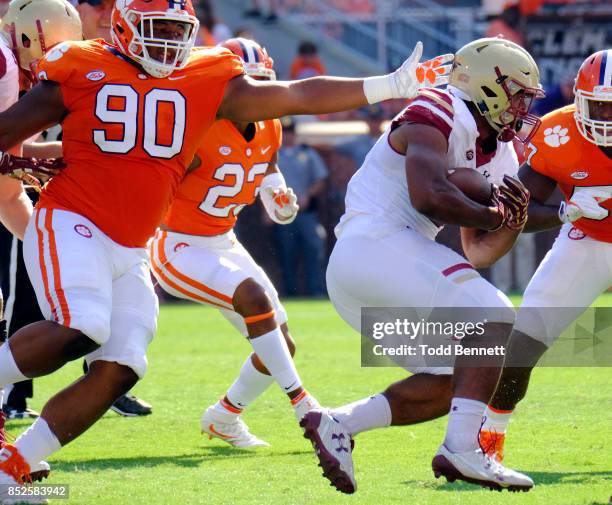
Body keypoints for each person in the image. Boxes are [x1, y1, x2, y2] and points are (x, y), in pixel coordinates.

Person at [0, 0, 454, 496]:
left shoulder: (204, 77)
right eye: (160, 29)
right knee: (84, 325)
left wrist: (387, 85)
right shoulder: (82, 63)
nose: (170, 42)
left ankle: (15, 464)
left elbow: (294, 94)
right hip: (74, 219)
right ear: (127, 26)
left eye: (179, 30)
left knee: (124, 365)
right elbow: (10, 132)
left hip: (130, 245)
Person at [300, 37, 544, 494]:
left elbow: (479, 252)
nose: (520, 107)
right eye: (516, 94)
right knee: (493, 317)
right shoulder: (439, 105)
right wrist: (493, 211)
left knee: (460, 373)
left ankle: (338, 423)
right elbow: (427, 194)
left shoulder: (503, 152)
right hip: (373, 246)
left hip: (377, 272)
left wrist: (512, 221)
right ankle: (463, 450)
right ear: (488, 84)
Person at [151, 37, 314, 447]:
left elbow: (267, 166)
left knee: (282, 343)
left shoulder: (270, 124)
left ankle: (224, 416)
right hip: (177, 244)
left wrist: (277, 197)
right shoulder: (193, 127)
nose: (255, 96)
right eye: (246, 86)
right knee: (255, 299)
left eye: (261, 85)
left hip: (222, 239)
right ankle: (304, 405)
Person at [478, 49, 612, 465]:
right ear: (579, 99)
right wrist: (564, 211)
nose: (608, 118)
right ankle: (488, 437)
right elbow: (514, 209)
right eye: (601, 107)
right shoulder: (556, 133)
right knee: (526, 339)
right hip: (587, 239)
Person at [0, 0, 82, 485]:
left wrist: (51, 252)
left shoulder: (14, 66)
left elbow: (9, 198)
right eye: (49, 56)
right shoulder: (7, 66)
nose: (52, 71)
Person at [275, 117, 328, 296]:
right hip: (282, 214)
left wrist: (308, 195)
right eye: (285, 132)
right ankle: (290, 293)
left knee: (314, 252)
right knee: (286, 255)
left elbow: (321, 179)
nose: (288, 136)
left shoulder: (307, 153)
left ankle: (316, 292)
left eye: (291, 132)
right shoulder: (273, 155)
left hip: (306, 213)